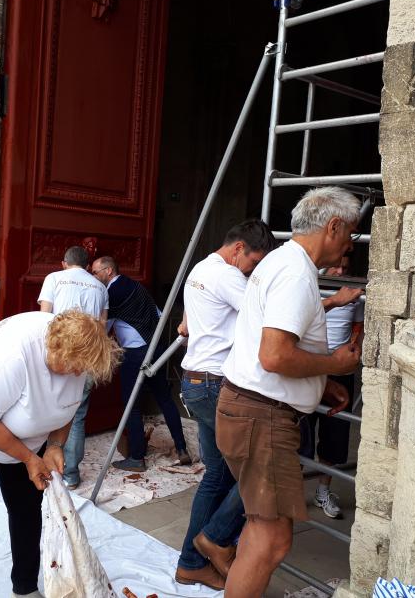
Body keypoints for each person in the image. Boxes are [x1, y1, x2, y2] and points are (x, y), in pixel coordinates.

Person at [216, 186, 362, 597]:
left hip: (250, 410)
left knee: (261, 531)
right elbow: (275, 356)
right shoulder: (296, 272)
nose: (351, 242)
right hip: (262, 417)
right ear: (332, 226)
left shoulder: (283, 261)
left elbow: (275, 350)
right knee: (272, 540)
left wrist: (322, 382)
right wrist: (335, 365)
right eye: (349, 232)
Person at [0, 310, 122, 598]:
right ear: (55, 347)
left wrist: (56, 446)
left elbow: (66, 408)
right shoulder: (15, 357)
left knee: (26, 511)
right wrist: (29, 459)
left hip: (24, 441)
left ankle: (25, 588)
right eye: (72, 366)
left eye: (81, 370)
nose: (76, 374)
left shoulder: (78, 362)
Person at [174, 219, 275, 590]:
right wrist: (328, 301)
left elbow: (188, 323)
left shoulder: (201, 269)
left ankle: (190, 564)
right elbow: (269, 317)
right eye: (253, 263)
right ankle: (214, 538)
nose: (252, 271)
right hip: (218, 386)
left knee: (217, 475)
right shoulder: (229, 277)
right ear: (238, 250)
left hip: (196, 382)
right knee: (261, 470)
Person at [90, 256, 191, 471]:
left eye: (96, 272)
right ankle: (182, 449)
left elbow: (102, 329)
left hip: (136, 353)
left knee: (131, 405)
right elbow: (159, 315)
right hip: (156, 348)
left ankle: (137, 458)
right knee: (164, 399)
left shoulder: (111, 294)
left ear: (108, 271)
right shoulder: (136, 286)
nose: (94, 277)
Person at [37, 245, 108, 490]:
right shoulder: (100, 286)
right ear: (88, 267)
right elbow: (102, 326)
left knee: (42, 407)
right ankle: (70, 474)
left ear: (64, 263)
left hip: (56, 355)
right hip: (85, 359)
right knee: (76, 415)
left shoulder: (54, 278)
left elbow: (44, 318)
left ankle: (39, 463)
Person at [300, 254, 364, 518]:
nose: (339, 271)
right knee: (300, 433)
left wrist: (354, 345)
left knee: (334, 434)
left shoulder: (353, 293)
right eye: (336, 265)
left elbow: (357, 327)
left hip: (338, 371)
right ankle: (291, 493)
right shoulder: (308, 289)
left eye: (345, 267)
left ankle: (322, 491)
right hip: (308, 366)